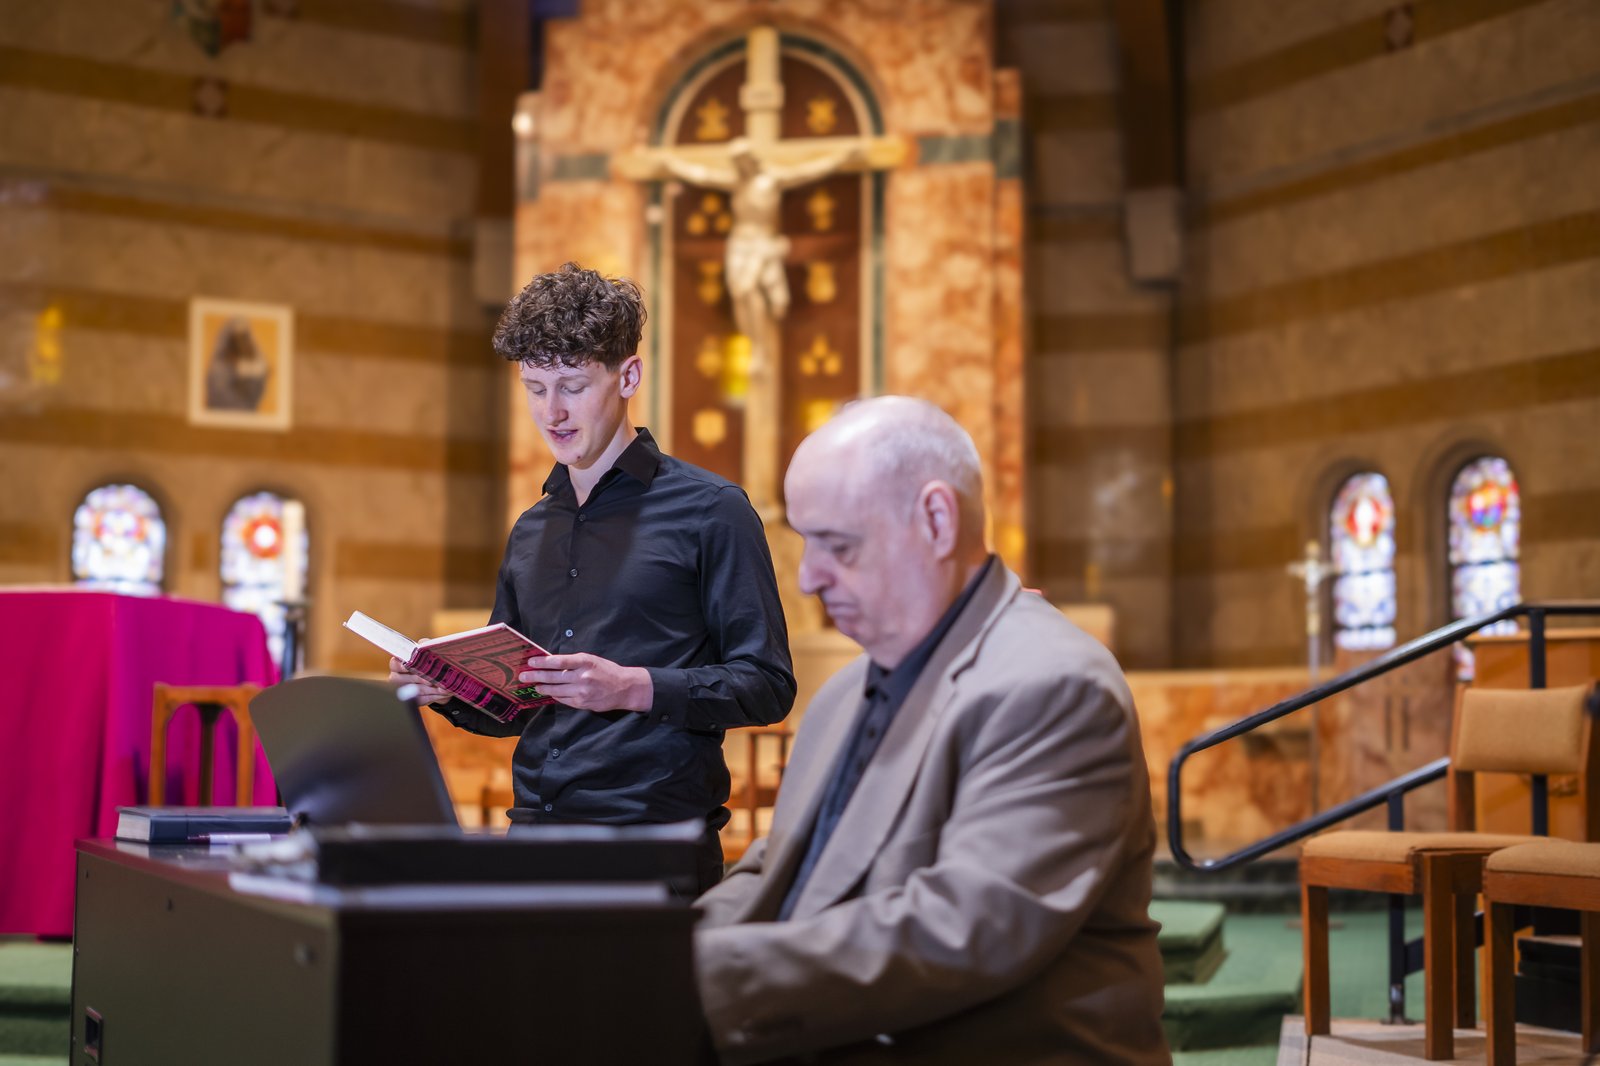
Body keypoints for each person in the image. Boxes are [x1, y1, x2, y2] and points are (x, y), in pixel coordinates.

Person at [694, 396, 1170, 1064]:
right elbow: (780, 864)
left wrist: (695, 980)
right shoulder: (839, 696)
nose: (806, 578)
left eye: (838, 545)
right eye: (805, 543)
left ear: (937, 521)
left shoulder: (1052, 685)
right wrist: (663, 951)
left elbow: (964, 927)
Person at [389, 262, 796, 892]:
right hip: (533, 838)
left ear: (627, 376)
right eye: (534, 387)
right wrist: (449, 688)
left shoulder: (713, 510)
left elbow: (767, 684)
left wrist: (633, 688)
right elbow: (518, 708)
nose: (551, 411)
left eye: (572, 386)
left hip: (651, 847)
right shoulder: (531, 529)